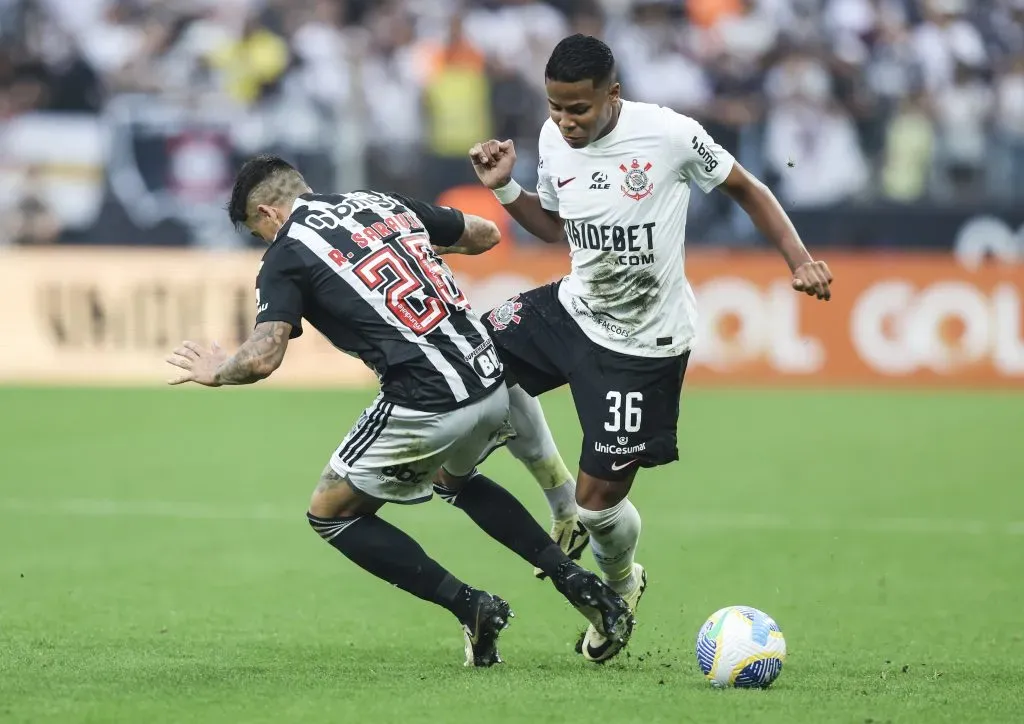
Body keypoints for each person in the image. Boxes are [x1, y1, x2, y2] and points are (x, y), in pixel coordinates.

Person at [164, 154, 633, 667]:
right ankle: (578, 582)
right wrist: (404, 245)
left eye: (259, 233)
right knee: (453, 481)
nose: (265, 242)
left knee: (331, 514)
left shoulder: (287, 251)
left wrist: (218, 370)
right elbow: (483, 234)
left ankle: (472, 606)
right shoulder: (378, 203)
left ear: (267, 213)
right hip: (489, 376)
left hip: (426, 399)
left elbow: (263, 357)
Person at [469, 34, 834, 663]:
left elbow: (747, 187)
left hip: (644, 344)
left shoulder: (669, 135)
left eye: (578, 108)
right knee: (471, 358)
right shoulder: (553, 139)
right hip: (574, 308)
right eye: (555, 106)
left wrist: (799, 260)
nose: (565, 120)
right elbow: (556, 228)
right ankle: (556, 498)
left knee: (600, 506)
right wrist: (506, 189)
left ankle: (620, 586)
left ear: (613, 94)